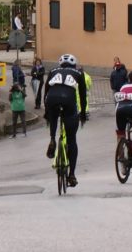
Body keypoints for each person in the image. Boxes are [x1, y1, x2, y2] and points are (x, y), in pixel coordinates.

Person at [43, 53, 88, 187]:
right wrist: (83, 113)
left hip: (51, 98)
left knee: (53, 115)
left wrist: (46, 111)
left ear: (60, 64)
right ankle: (72, 175)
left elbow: (46, 91)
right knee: (72, 139)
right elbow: (82, 95)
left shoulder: (52, 71)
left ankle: (52, 138)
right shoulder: (79, 72)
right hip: (68, 100)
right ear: (74, 64)